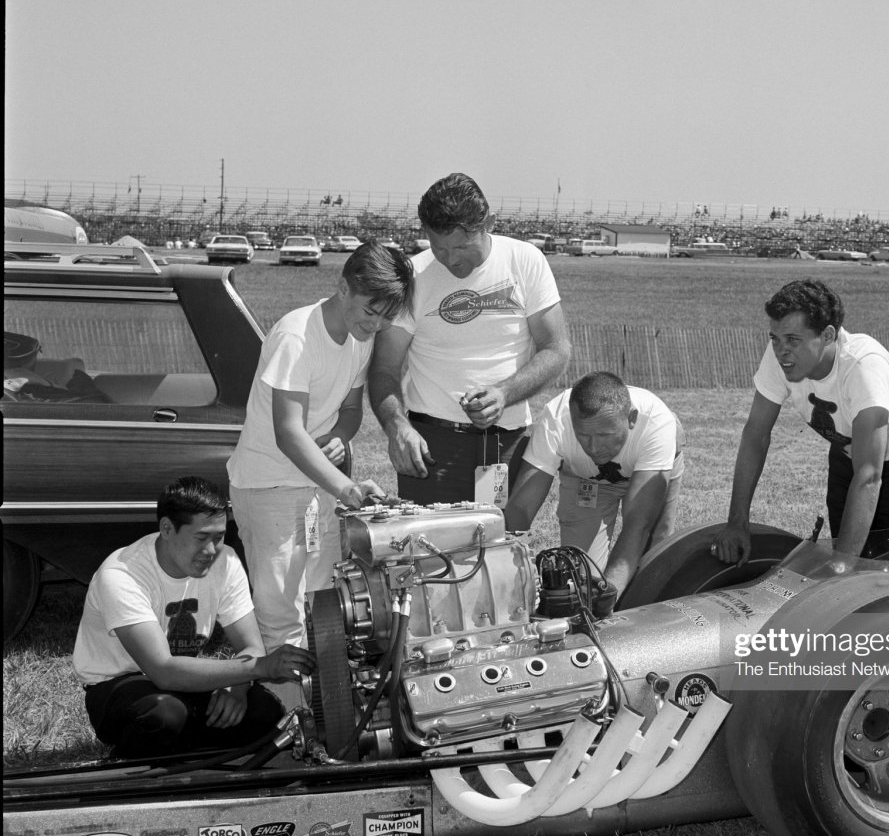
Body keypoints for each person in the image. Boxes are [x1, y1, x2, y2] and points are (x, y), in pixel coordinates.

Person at [228, 241, 411, 654]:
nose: (376, 326)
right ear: (343, 287)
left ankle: (322, 708)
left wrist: (339, 437)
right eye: (370, 311)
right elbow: (288, 432)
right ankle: (286, 711)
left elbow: (350, 409)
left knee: (324, 602)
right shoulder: (297, 336)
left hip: (318, 487)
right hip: (268, 487)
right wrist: (346, 488)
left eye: (387, 318)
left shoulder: (361, 337)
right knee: (280, 614)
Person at [73, 477, 315, 759]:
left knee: (265, 713)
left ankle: (181, 755)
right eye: (201, 538)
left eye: (219, 537)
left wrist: (237, 690)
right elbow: (163, 671)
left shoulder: (227, 561)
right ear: (167, 528)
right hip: (120, 686)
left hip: (182, 683)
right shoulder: (121, 574)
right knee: (165, 714)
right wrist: (259, 669)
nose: (212, 550)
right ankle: (134, 765)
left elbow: (250, 646)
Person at [368, 173, 571, 505]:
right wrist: (397, 427)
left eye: (461, 246)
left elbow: (556, 349)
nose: (450, 259)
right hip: (430, 447)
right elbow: (383, 370)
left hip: (504, 442)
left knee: (495, 544)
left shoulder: (525, 261)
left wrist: (504, 393)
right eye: (439, 247)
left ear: (488, 222)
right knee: (430, 550)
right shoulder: (413, 276)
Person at [713, 278, 889, 562]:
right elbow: (755, 434)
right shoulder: (782, 357)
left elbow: (869, 476)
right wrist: (737, 522)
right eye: (775, 338)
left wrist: (841, 571)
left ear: (828, 335)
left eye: (793, 340)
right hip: (847, 453)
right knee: (845, 546)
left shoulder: (862, 367)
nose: (781, 349)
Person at [505, 372, 684, 599]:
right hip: (587, 480)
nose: (594, 447)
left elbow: (638, 525)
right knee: (581, 574)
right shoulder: (555, 420)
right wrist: (506, 572)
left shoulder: (656, 422)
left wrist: (606, 601)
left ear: (631, 419)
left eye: (604, 435)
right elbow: (521, 509)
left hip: (649, 471)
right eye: (583, 435)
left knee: (654, 557)